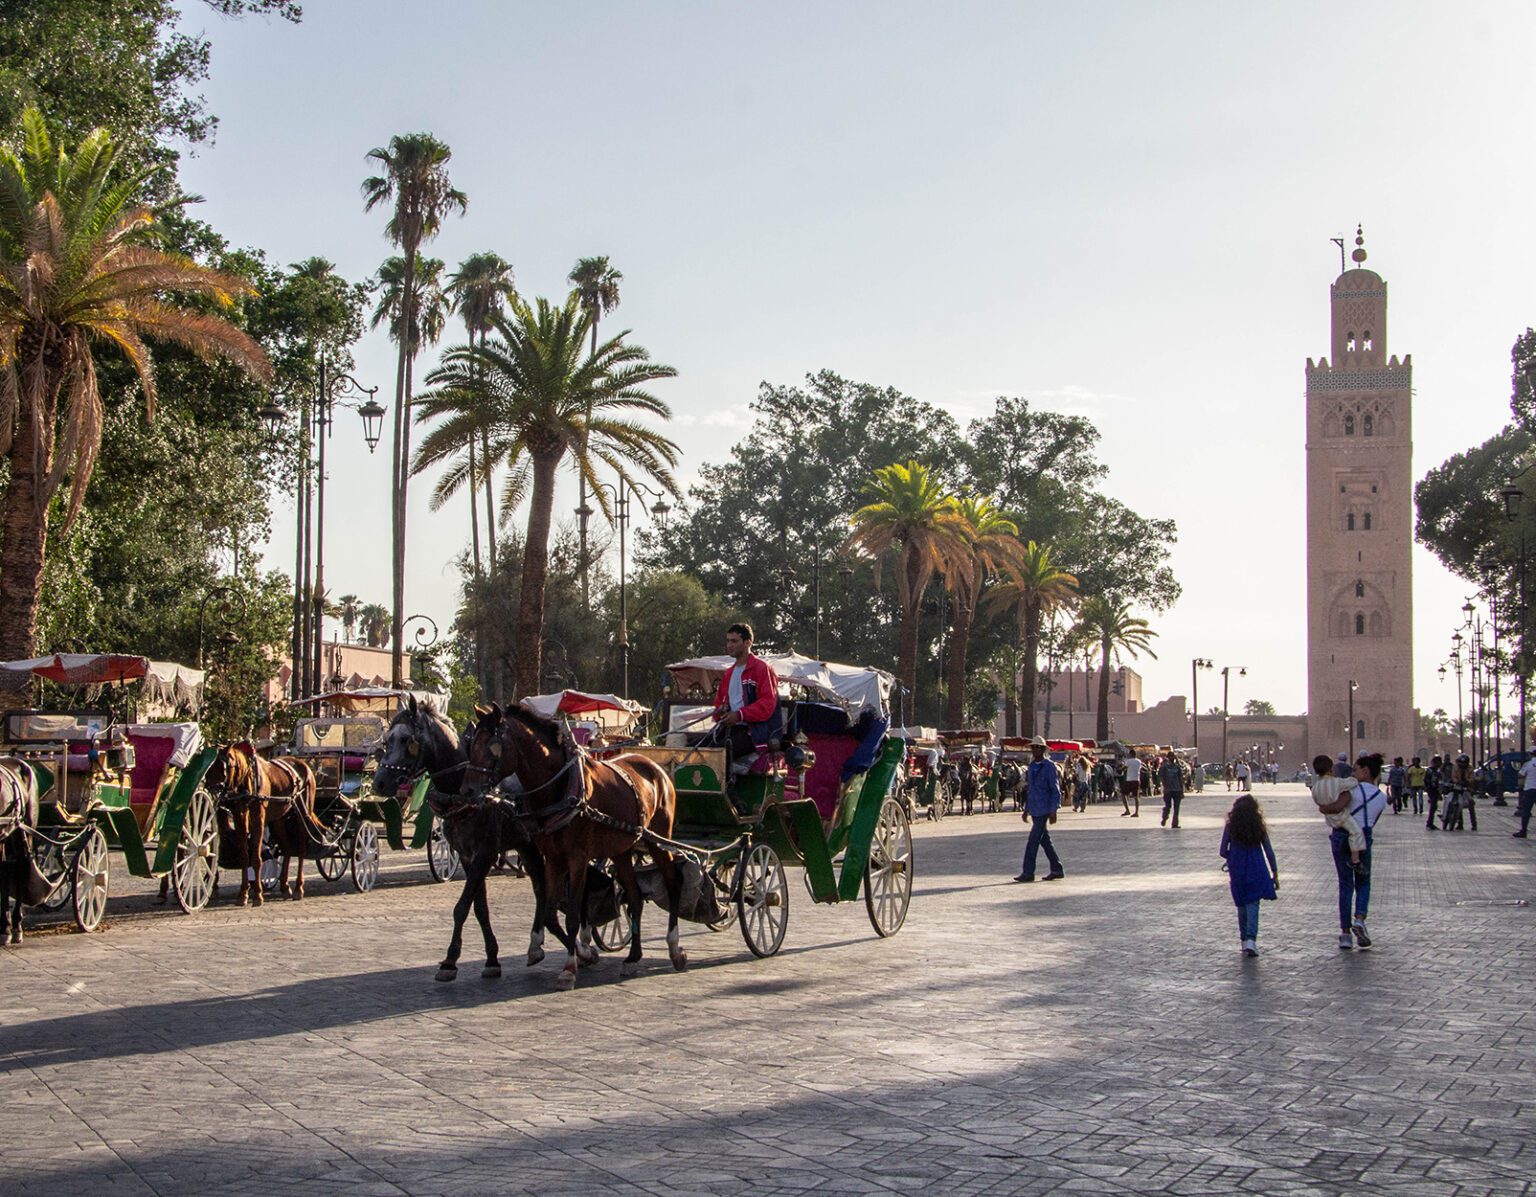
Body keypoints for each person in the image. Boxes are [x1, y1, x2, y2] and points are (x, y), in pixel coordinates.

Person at [1316, 752, 1389, 949]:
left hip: (1341, 835)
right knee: (1364, 882)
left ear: (1365, 771)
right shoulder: (1382, 797)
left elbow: (1333, 806)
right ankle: (1360, 919)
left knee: (1345, 884)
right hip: (1364, 836)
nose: (1352, 773)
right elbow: (1373, 821)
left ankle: (1346, 934)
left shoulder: (1351, 790)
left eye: (1355, 769)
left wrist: (1323, 808)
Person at [709, 623, 781, 772]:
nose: (729, 645)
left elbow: (767, 705)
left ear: (748, 643)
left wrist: (740, 715)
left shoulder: (762, 668)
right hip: (731, 729)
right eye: (728, 641)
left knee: (718, 753)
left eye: (734, 641)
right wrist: (721, 712)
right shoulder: (729, 673)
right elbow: (719, 703)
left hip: (755, 733)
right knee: (693, 749)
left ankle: (728, 792)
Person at [1220, 793, 1279, 957]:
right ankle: (1252, 940)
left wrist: (1232, 856)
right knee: (1253, 902)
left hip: (1237, 867)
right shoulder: (1258, 826)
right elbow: (1269, 851)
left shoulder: (1231, 826)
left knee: (1241, 903)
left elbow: (1222, 850)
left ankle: (1244, 939)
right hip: (1257, 866)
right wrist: (1275, 872)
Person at [1014, 736, 1064, 883]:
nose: (1035, 750)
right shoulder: (1031, 767)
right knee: (1045, 841)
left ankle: (1028, 872)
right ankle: (1057, 869)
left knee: (1033, 841)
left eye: (1038, 747)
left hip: (1044, 809)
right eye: (1033, 747)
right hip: (1035, 808)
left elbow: (1055, 789)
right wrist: (1026, 809)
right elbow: (1031, 790)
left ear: (1043, 749)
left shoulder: (1049, 766)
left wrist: (1053, 810)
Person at [1309, 754, 1365, 877]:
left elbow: (1317, 800)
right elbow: (1352, 783)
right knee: (1356, 832)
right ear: (1331, 769)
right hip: (1342, 816)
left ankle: (1336, 839)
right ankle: (1355, 860)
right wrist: (1355, 777)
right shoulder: (1336, 782)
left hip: (1330, 819)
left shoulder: (1316, 787)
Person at [1159, 753, 1185, 828]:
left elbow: (1180, 779)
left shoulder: (1177, 767)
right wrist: (1164, 787)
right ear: (1168, 757)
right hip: (1168, 790)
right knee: (1168, 806)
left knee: (1176, 808)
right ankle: (1164, 817)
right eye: (1171, 756)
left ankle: (1175, 823)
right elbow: (1161, 778)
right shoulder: (1164, 767)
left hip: (1177, 790)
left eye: (1173, 756)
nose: (1172, 758)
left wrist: (1182, 791)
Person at [1515, 753, 1536, 838]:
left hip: (1530, 789)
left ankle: (1523, 831)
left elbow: (1520, 775)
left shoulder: (1528, 764)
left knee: (1526, 811)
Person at [1424, 755, 1443, 830]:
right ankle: (1429, 823)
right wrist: (1427, 787)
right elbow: (1426, 780)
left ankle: (1430, 822)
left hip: (1435, 790)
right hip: (1431, 789)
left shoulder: (1438, 771)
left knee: (1434, 806)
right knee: (1433, 806)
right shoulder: (1430, 770)